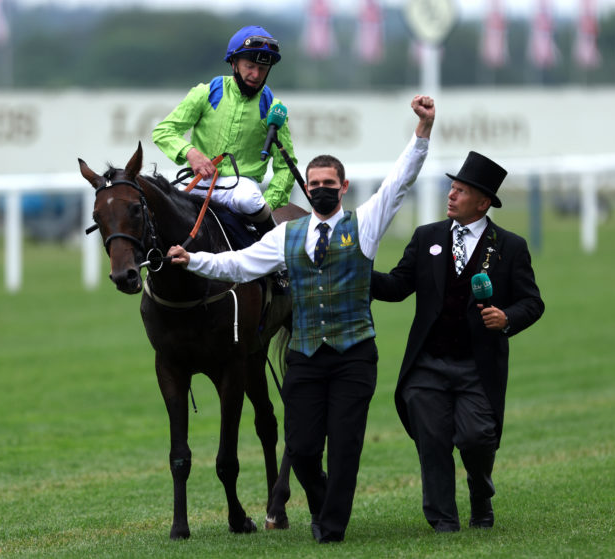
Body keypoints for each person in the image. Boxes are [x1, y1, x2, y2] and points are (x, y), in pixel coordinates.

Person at [166, 95, 436, 543]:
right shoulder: (284, 237)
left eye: (329, 182)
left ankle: (330, 527)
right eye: (314, 183)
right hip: (306, 358)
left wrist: (423, 131)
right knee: (306, 451)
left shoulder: (365, 223)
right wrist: (191, 260)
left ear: (343, 186)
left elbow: (400, 181)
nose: (320, 189)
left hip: (354, 357)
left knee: (345, 447)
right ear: (306, 189)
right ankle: (324, 498)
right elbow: (237, 264)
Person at [371, 151, 545, 532]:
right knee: (432, 442)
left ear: (483, 203)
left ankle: (481, 495)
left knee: (477, 439)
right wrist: (359, 272)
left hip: (476, 367)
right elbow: (398, 286)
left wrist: (506, 318)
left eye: (461, 190)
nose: (451, 195)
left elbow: (533, 303)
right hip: (427, 365)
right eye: (452, 187)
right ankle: (443, 522)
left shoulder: (510, 247)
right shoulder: (427, 237)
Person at [152, 25, 296, 237]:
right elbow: (164, 131)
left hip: (242, 189)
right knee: (158, 213)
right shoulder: (205, 93)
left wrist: (268, 202)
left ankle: (276, 262)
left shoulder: (274, 108)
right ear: (233, 63)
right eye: (250, 66)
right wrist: (191, 153)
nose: (256, 75)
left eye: (263, 69)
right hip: (199, 181)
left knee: (249, 199)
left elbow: (286, 166)